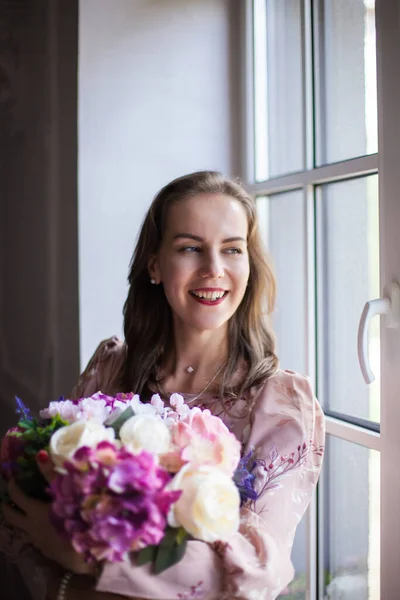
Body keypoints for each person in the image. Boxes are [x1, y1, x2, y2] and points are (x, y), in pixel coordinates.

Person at [1, 171, 325, 600]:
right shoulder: (110, 370)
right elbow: (21, 514)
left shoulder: (280, 405)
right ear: (154, 264)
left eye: (232, 249)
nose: (213, 269)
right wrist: (65, 583)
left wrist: (89, 560)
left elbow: (254, 571)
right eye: (190, 248)